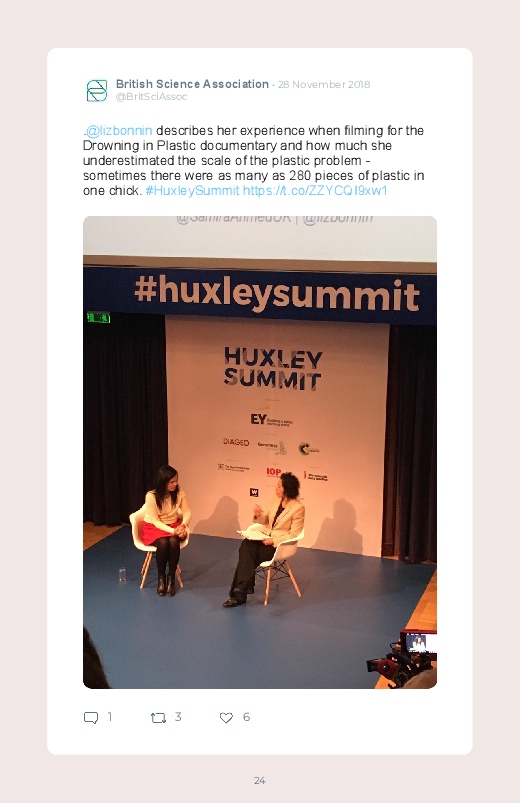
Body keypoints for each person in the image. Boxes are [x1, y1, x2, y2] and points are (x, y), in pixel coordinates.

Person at [223, 471, 305, 607]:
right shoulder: (275, 499)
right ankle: (241, 590)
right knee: (246, 545)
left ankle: (238, 594)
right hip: (264, 537)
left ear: (287, 489)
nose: (276, 488)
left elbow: (294, 534)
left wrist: (274, 541)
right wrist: (258, 515)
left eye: (279, 486)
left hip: (278, 546)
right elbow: (265, 519)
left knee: (248, 556)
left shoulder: (298, 508)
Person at [142, 465, 191, 597]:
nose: (175, 484)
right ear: (163, 481)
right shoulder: (151, 496)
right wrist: (174, 531)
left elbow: (187, 511)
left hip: (173, 525)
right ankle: (161, 577)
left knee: (174, 542)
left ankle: (171, 578)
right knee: (163, 543)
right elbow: (155, 521)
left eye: (176, 481)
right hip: (154, 527)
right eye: (172, 482)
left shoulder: (179, 492)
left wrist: (183, 525)